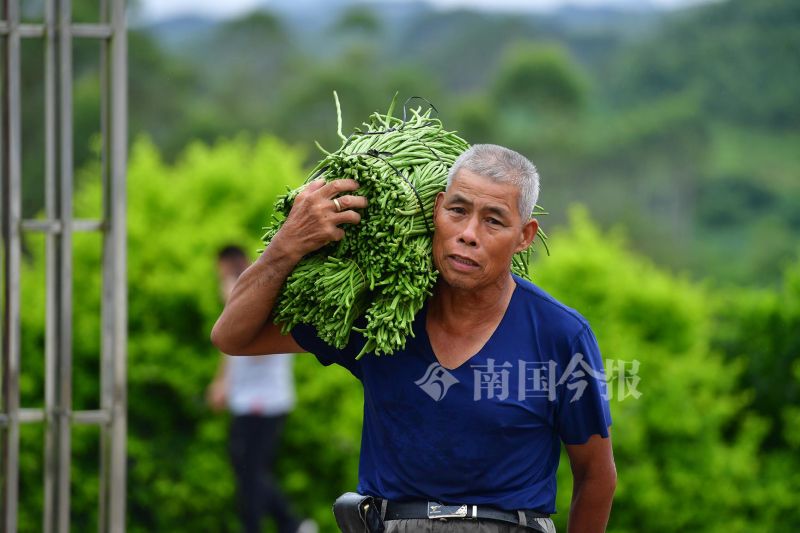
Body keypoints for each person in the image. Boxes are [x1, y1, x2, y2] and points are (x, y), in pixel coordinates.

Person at [211, 145, 616, 532]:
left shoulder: (560, 335)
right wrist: (286, 244)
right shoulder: (380, 317)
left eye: (493, 221)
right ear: (437, 209)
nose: (468, 233)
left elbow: (596, 474)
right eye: (458, 211)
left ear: (525, 235)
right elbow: (234, 337)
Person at [207, 245, 317, 533]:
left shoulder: (260, 295)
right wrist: (222, 382)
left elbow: (258, 348)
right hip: (245, 400)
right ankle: (293, 524)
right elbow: (229, 347)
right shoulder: (240, 302)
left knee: (251, 474)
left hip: (265, 401)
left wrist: (231, 305)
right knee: (247, 472)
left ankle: (289, 524)